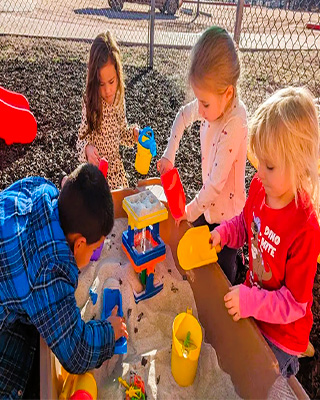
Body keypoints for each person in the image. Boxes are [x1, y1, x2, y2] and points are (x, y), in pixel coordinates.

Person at [210, 86, 320, 378]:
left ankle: (295, 364)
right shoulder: (262, 187)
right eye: (258, 162)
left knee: (260, 378)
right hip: (254, 304)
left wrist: (250, 301)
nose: (259, 173)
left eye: (269, 166)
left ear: (299, 166)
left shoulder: (305, 227)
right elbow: (246, 226)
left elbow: (295, 304)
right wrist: (223, 234)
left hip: (282, 335)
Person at [0, 163, 128, 399]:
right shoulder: (48, 273)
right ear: (79, 244)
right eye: (94, 249)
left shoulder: (38, 188)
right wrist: (110, 331)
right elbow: (76, 354)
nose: (93, 256)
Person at [157, 26, 248, 284]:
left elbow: (215, 186)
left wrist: (188, 211)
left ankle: (235, 265)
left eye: (204, 103)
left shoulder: (234, 124)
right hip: (210, 207)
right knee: (198, 249)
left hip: (229, 217)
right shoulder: (212, 105)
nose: (200, 108)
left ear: (228, 93)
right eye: (198, 100)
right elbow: (183, 116)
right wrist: (169, 155)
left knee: (222, 270)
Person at [77, 31, 139, 190]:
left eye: (111, 82)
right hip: (96, 172)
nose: (108, 90)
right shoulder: (91, 102)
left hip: (116, 173)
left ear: (118, 74)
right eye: (101, 84)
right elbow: (81, 139)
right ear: (94, 81)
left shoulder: (119, 98)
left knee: (120, 209)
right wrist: (87, 149)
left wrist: (134, 134)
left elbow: (122, 134)